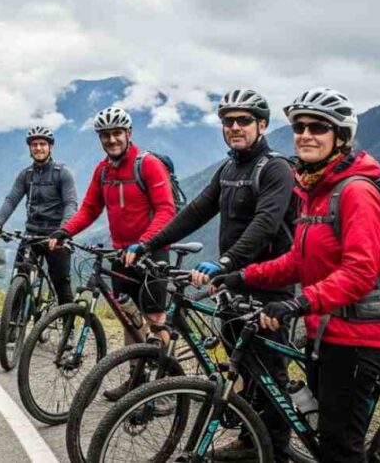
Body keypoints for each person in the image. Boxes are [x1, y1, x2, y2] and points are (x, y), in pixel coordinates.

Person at [211, 87, 380, 462]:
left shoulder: (356, 192)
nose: (306, 135)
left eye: (318, 127)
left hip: (355, 338)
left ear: (341, 137)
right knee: (326, 437)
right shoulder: (316, 191)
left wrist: (298, 302)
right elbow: (297, 260)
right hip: (323, 333)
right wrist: (242, 277)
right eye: (299, 127)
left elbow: (361, 271)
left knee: (340, 450)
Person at [124, 89, 298, 459]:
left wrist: (226, 261)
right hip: (233, 285)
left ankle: (277, 451)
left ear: (262, 125)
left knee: (271, 377)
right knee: (244, 369)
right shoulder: (229, 169)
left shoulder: (276, 168)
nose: (234, 127)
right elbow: (196, 212)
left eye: (243, 120)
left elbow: (266, 224)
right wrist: (149, 243)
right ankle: (251, 441)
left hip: (268, 286)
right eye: (228, 121)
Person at [48, 106, 177, 351]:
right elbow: (89, 210)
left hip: (152, 252)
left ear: (129, 133)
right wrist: (65, 230)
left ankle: (164, 370)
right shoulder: (103, 170)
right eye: (105, 135)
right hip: (121, 255)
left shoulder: (148, 164)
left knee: (155, 320)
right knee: (129, 320)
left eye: (117, 133)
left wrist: (144, 243)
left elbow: (166, 210)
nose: (112, 139)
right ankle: (135, 371)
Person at [0, 126, 78, 345]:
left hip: (56, 235)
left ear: (50, 147)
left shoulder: (62, 173)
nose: (38, 148)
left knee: (61, 283)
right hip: (32, 234)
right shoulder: (26, 175)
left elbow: (71, 204)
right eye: (34, 144)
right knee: (20, 277)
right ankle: (11, 329)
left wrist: (63, 231)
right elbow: (11, 199)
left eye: (42, 144)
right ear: (29, 148)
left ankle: (69, 331)